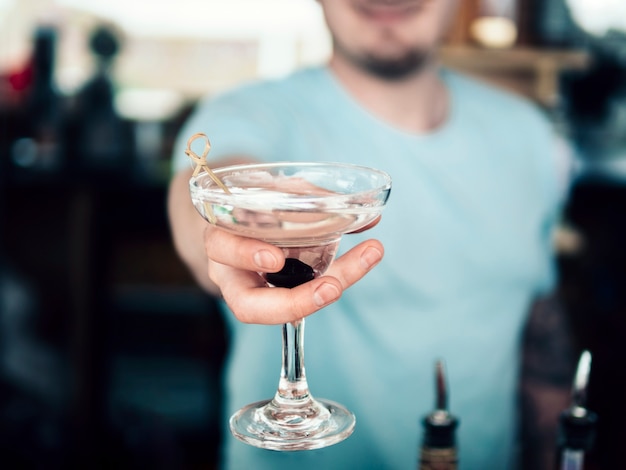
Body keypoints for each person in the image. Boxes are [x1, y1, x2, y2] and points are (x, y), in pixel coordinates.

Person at [167, 0, 576, 468]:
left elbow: (541, 328)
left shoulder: (529, 136)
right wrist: (230, 237)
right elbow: (211, 186)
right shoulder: (248, 112)